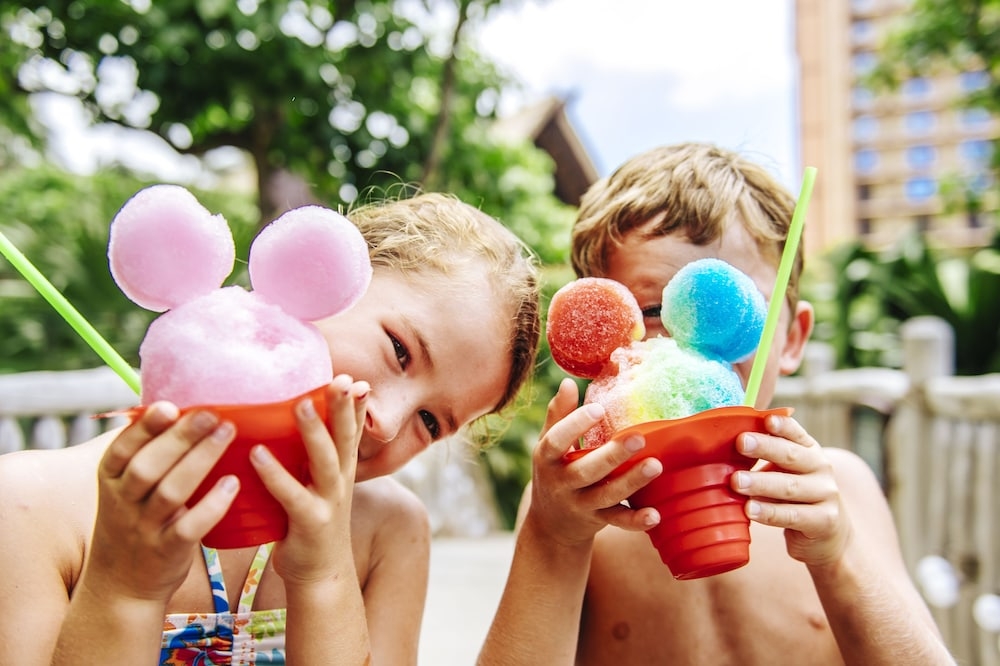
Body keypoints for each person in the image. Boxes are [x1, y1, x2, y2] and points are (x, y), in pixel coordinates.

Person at [0, 192, 541, 665]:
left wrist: (324, 577)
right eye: (399, 350)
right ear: (320, 277)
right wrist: (123, 589)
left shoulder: (387, 535)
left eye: (430, 422)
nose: (387, 419)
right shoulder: (31, 506)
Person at [480, 142, 954, 665]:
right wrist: (555, 538)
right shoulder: (580, 506)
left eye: (731, 307)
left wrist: (838, 556)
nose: (691, 343)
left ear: (792, 338)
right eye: (656, 310)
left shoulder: (843, 490)